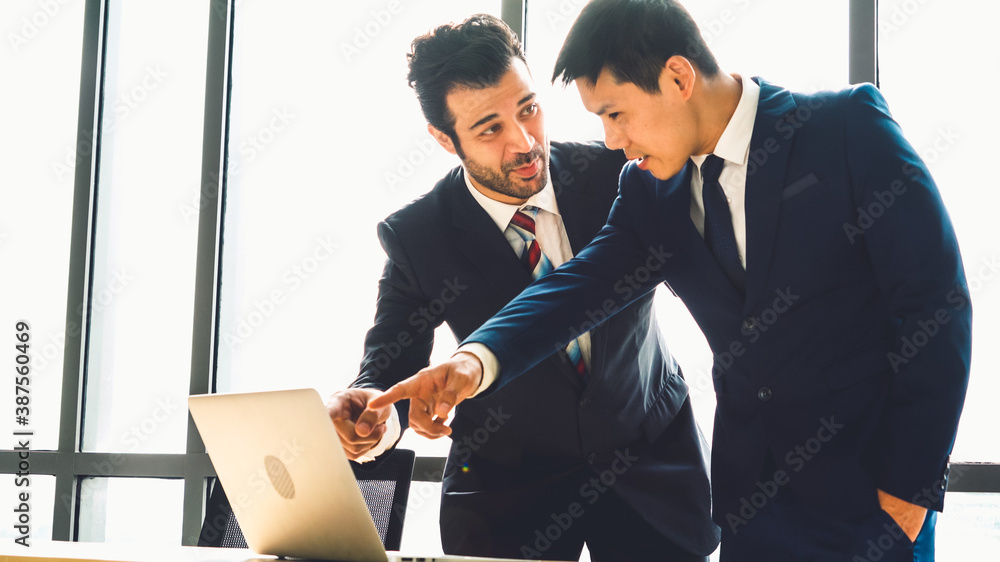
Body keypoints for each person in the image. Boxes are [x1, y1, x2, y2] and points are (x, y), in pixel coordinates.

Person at [369, 2, 973, 561]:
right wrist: (475, 362)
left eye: (615, 113)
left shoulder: (846, 130)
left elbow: (934, 306)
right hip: (753, 510)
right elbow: (577, 288)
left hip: (873, 498)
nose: (610, 139)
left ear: (679, 79)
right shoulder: (649, 190)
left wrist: (911, 484)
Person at [325, 14, 719, 562]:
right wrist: (375, 415)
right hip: (508, 496)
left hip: (651, 465)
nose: (524, 141)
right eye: (490, 128)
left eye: (529, 109)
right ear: (444, 139)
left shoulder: (622, 172)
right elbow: (389, 362)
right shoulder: (419, 235)